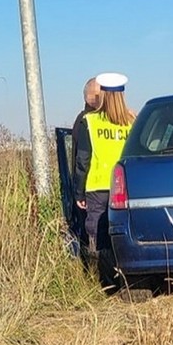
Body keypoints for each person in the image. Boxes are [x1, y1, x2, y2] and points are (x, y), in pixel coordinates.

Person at [72, 72, 134, 276]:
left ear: (103, 95)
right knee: (124, 231)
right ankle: (128, 275)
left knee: (98, 236)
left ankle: (104, 280)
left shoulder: (89, 121)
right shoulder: (132, 121)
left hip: (97, 187)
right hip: (126, 187)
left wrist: (78, 193)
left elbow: (82, 160)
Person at [69, 77, 102, 243]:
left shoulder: (84, 120)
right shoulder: (88, 121)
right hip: (95, 190)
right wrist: (79, 192)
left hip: (98, 190)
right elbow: (82, 160)